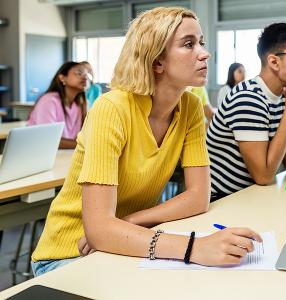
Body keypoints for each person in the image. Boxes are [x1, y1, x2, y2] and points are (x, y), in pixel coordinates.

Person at [31, 7, 261, 276]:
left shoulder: (190, 107)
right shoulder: (112, 108)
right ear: (157, 63)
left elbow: (198, 197)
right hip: (69, 255)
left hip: (126, 241)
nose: (204, 52)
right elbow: (98, 231)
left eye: (201, 42)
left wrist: (130, 221)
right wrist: (194, 248)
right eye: (189, 44)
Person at [207, 23, 286, 201]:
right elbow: (263, 176)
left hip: (253, 197)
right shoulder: (248, 98)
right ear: (274, 62)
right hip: (221, 202)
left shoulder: (284, 96)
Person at [28, 61, 88, 149]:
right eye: (79, 73)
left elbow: (82, 136)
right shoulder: (49, 101)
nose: (84, 78)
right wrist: (85, 146)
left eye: (86, 75)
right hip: (38, 152)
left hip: (64, 153)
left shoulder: (80, 104)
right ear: (62, 78)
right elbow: (48, 139)